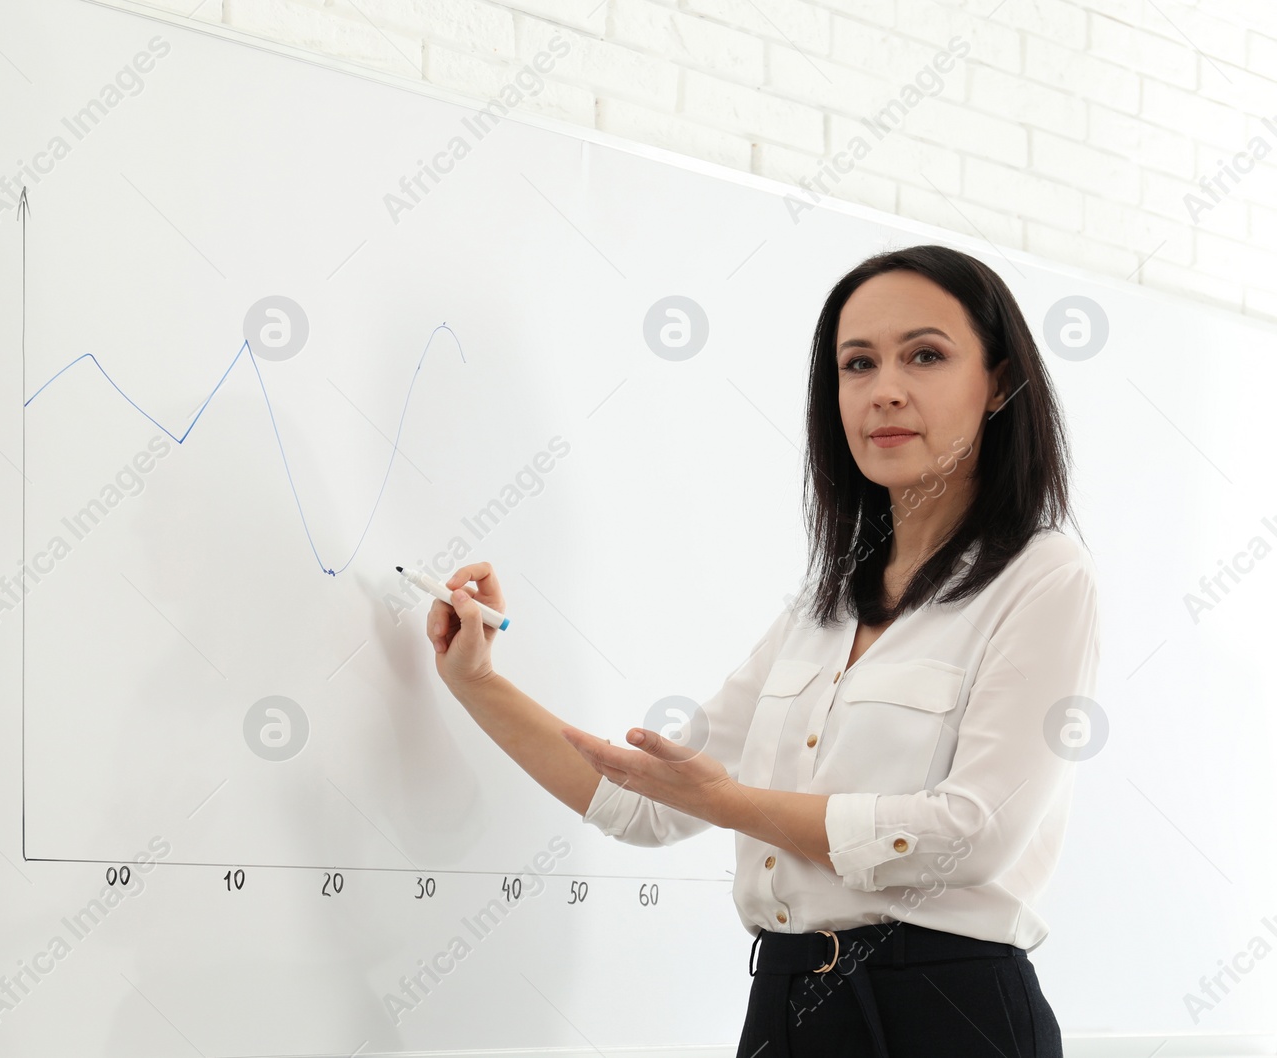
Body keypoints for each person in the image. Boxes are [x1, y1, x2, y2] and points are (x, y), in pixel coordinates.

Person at [419, 244, 1095, 1056]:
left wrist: (732, 804)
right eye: (856, 363)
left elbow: (974, 834)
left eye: (925, 355)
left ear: (999, 383)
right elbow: (646, 804)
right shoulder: (824, 604)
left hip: (948, 1012)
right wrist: (477, 681)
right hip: (787, 1002)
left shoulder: (1044, 576)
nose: (884, 390)